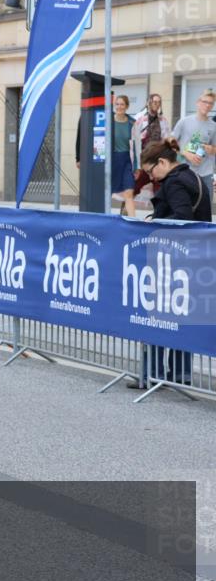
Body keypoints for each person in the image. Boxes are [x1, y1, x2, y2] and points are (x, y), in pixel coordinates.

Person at [130, 137, 212, 390]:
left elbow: (182, 218)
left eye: (151, 171)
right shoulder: (194, 177)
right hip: (195, 259)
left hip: (172, 257)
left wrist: (154, 223)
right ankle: (180, 374)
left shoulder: (175, 183)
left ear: (163, 162)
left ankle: (152, 374)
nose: (151, 177)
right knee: (181, 317)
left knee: (158, 316)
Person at [171, 89, 216, 200]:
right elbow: (170, 142)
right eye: (205, 101)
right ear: (198, 102)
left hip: (206, 173)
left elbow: (215, 149)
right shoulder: (184, 121)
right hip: (186, 171)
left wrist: (211, 149)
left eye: (211, 103)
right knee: (186, 207)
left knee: (206, 209)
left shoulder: (214, 126)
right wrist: (185, 153)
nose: (207, 105)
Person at [111, 95, 137, 216]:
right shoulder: (108, 121)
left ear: (127, 106)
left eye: (122, 104)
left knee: (129, 192)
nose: (119, 107)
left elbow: (137, 146)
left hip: (127, 161)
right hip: (112, 161)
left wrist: (137, 167)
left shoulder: (132, 123)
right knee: (107, 192)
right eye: (117, 104)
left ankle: (133, 223)